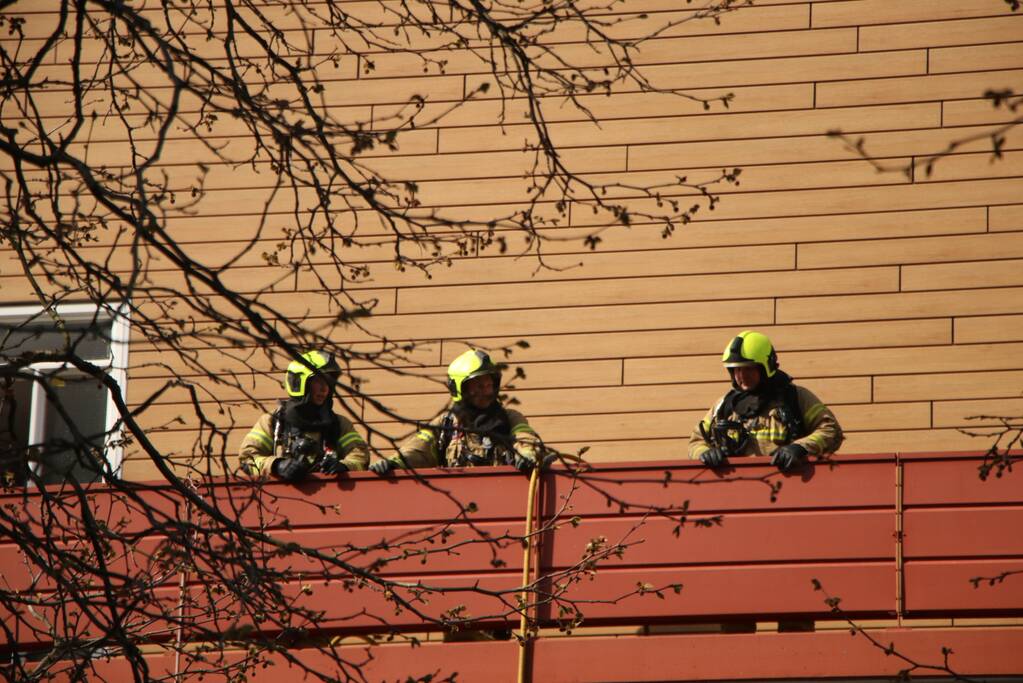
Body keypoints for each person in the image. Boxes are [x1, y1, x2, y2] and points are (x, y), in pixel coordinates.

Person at [689, 331, 843, 472]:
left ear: (765, 367)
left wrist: (799, 448)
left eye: (748, 368)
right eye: (736, 370)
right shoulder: (724, 405)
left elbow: (831, 431)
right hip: (737, 489)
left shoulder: (795, 397)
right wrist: (705, 452)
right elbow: (696, 441)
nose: (741, 376)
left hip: (788, 486)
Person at [370, 348, 541, 474]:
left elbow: (525, 439)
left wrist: (526, 454)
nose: (487, 392)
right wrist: (394, 463)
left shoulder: (510, 418)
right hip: (458, 504)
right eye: (479, 386)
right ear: (460, 389)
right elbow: (419, 450)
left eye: (490, 385)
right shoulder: (446, 424)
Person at [239, 350, 369, 480]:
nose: (324, 389)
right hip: (282, 497)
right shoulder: (273, 421)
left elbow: (360, 456)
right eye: (318, 381)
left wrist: (344, 466)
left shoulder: (339, 424)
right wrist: (277, 465)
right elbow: (247, 459)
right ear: (300, 383)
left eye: (328, 383)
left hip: (332, 497)